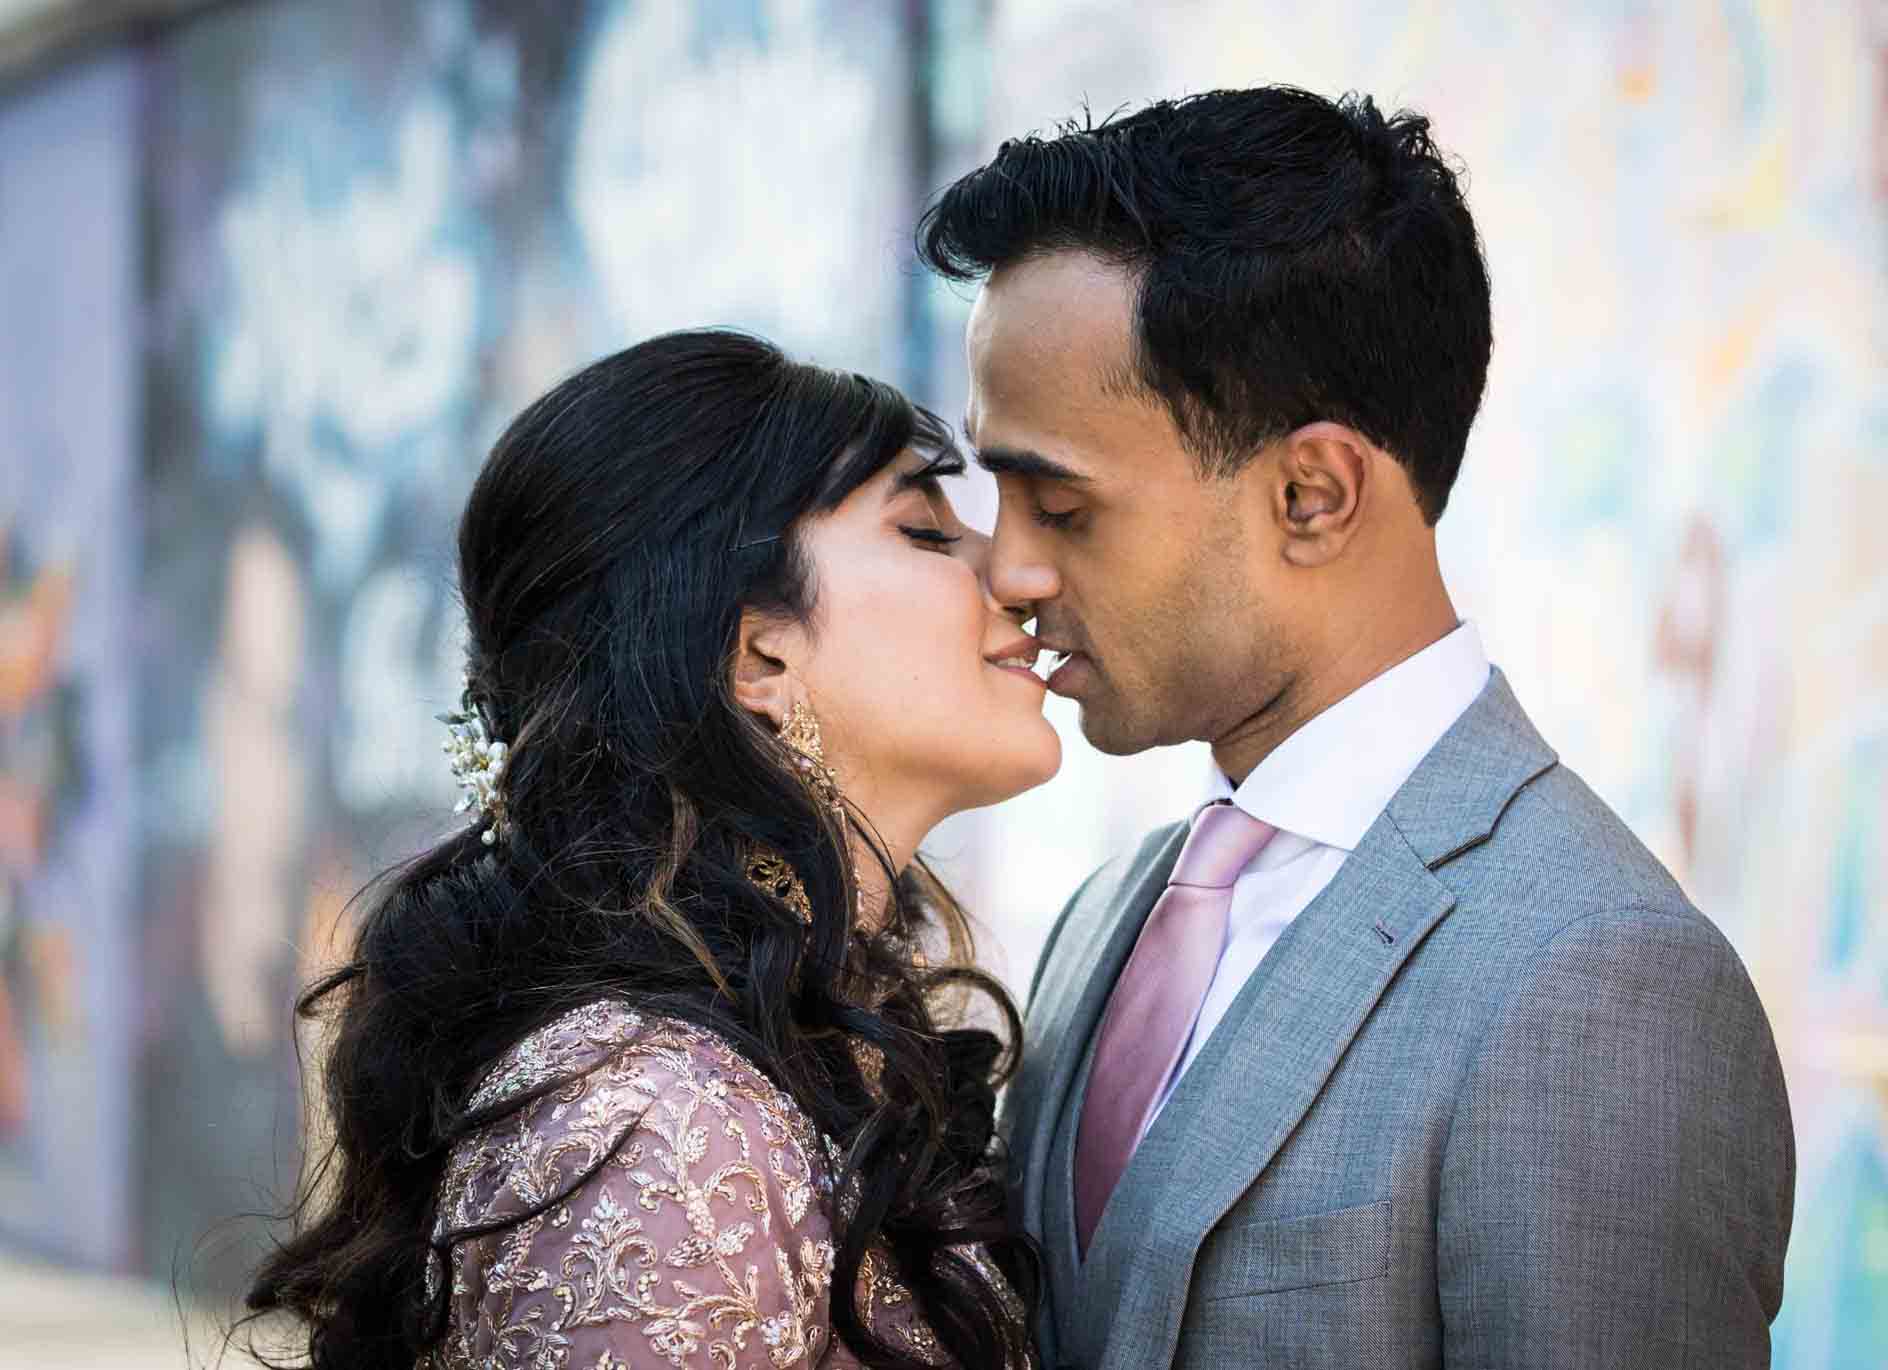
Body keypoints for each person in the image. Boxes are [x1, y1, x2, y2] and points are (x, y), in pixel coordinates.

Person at [918, 86, 1795, 1368]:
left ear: (1314, 495)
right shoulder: (1110, 911)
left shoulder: (1595, 979)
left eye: (1060, 504)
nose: (1007, 571)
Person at [238, 330, 1054, 1370]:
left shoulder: (791, 1052)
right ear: (758, 650)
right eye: (926, 530)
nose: (1017, 574)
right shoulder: (655, 1124)